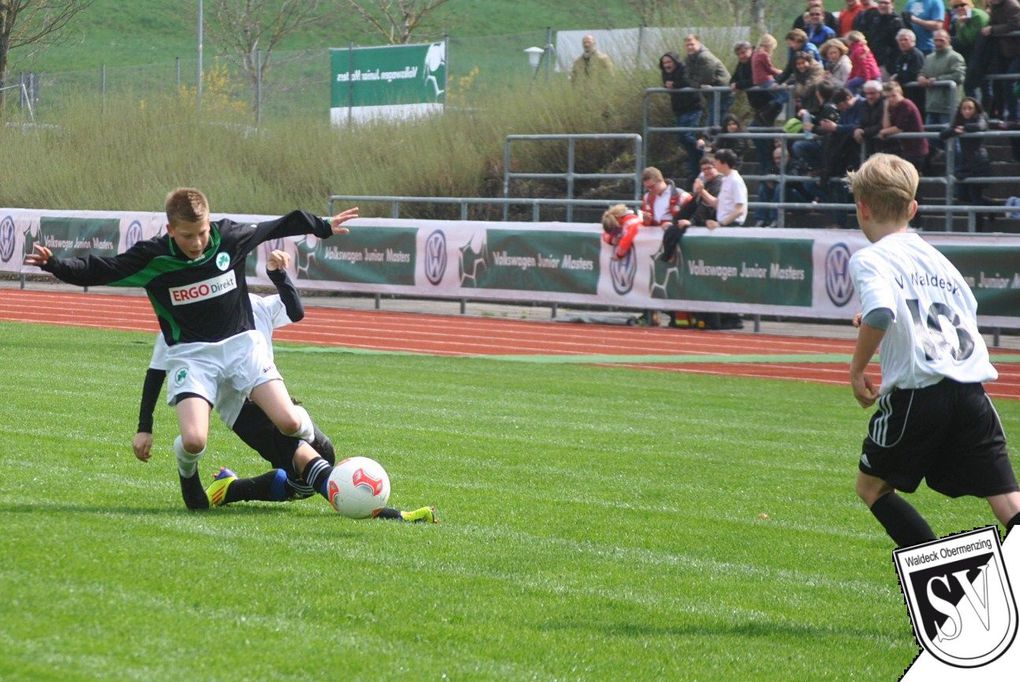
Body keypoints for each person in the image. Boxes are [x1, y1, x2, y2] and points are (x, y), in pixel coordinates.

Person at [24, 188, 360, 511]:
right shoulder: (152, 258)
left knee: (288, 422)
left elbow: (281, 224)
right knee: (195, 440)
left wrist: (323, 227)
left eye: (201, 232)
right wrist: (55, 265)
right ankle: (189, 476)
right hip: (193, 356)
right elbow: (103, 269)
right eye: (187, 236)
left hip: (243, 347)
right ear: (170, 229)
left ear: (209, 222)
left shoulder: (228, 237)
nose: (197, 242)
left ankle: (316, 453)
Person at [133, 249, 437, 522]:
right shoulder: (183, 323)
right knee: (304, 462)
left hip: (271, 393)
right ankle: (391, 514)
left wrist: (279, 276)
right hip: (241, 409)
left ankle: (231, 488)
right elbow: (156, 370)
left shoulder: (255, 306)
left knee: (312, 469)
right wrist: (144, 425)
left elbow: (295, 311)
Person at [845, 152, 1020, 547]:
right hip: (973, 392)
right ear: (913, 207)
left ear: (863, 207)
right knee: (1008, 500)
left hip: (919, 393)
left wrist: (857, 371)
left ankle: (948, 593)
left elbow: (881, 310)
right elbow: (956, 313)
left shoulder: (870, 258)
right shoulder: (940, 261)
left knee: (872, 487)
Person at [939, 96, 993, 228]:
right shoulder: (959, 120)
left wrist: (962, 128)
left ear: (975, 110)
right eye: (964, 108)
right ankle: (991, 206)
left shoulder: (980, 116)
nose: (967, 111)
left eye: (970, 108)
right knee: (961, 195)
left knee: (975, 197)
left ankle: (978, 229)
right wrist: (954, 130)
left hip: (979, 162)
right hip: (965, 164)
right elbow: (943, 134)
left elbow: (981, 126)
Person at [659, 51, 704, 179]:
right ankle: (696, 166)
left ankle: (702, 147)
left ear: (675, 61)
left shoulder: (684, 69)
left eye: (669, 62)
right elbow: (668, 85)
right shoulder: (665, 73)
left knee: (688, 135)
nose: (667, 65)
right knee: (682, 138)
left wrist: (675, 85)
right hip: (679, 110)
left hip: (693, 107)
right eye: (664, 63)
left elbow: (690, 82)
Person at [917, 29, 966, 131]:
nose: (938, 43)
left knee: (950, 138)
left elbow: (959, 76)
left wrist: (937, 80)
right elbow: (923, 71)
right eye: (935, 40)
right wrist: (921, 77)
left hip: (948, 106)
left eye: (941, 40)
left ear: (948, 40)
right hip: (931, 105)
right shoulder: (929, 58)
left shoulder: (955, 57)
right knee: (931, 139)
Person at [878, 80, 930, 171]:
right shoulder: (893, 106)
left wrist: (883, 132)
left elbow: (899, 128)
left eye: (893, 95)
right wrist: (886, 108)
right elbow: (887, 126)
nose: (890, 99)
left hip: (916, 150)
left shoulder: (905, 104)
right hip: (906, 149)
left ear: (900, 93)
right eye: (887, 97)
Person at [684, 33, 733, 125]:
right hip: (712, 94)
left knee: (715, 123)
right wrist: (694, 83)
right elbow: (686, 75)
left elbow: (706, 78)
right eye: (687, 45)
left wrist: (694, 83)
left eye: (692, 44)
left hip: (722, 93)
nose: (690, 47)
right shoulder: (689, 58)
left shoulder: (705, 56)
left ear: (698, 43)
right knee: (717, 122)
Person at [703, 149, 747, 228]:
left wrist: (721, 224)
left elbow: (739, 210)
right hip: (725, 225)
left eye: (717, 160)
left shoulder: (735, 180)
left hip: (732, 226)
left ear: (725, 163)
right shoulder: (726, 179)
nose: (714, 163)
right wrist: (701, 191)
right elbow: (718, 204)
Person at [891, 28, 927, 116]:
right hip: (905, 95)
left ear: (913, 41)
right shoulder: (900, 56)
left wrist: (897, 79)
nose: (902, 42)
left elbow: (913, 74)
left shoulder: (916, 55)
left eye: (905, 40)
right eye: (900, 40)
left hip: (916, 97)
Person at [869, 0, 908, 76]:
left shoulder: (897, 22)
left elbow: (898, 47)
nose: (882, 5)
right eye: (880, 3)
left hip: (888, 65)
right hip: (875, 62)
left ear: (892, 4)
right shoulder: (876, 20)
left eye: (886, 3)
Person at [854, 79, 888, 157]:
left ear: (879, 93)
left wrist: (863, 132)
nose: (869, 96)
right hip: (869, 145)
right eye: (867, 93)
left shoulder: (885, 105)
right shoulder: (863, 105)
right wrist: (856, 129)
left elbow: (881, 125)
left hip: (884, 146)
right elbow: (859, 121)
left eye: (872, 93)